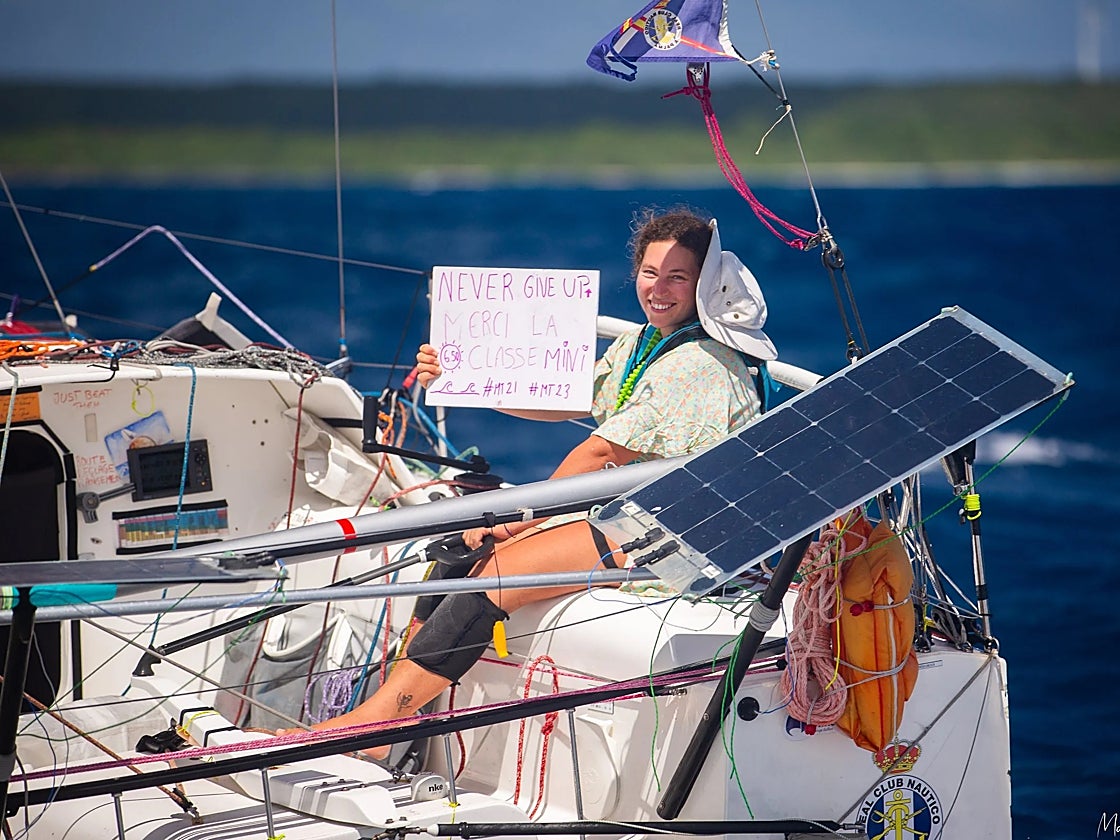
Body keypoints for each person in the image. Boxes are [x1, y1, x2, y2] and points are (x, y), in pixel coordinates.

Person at [285, 208, 777, 755]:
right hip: (630, 515)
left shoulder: (700, 362)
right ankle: (390, 708)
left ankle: (378, 726)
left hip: (678, 535)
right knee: (454, 555)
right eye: (649, 272)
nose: (658, 289)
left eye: (677, 277)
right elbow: (565, 399)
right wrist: (464, 374)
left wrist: (524, 522)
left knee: (499, 568)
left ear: (705, 285)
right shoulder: (644, 342)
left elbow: (598, 452)